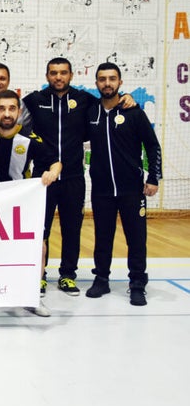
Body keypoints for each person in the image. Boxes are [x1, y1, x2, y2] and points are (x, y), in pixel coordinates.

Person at [22, 57, 135, 297]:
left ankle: (67, 275)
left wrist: (127, 99)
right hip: (42, 178)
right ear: (47, 77)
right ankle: (38, 276)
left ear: (71, 76)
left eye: (63, 73)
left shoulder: (85, 101)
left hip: (74, 177)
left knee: (71, 228)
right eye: (53, 73)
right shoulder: (34, 100)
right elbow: (7, 107)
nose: (58, 77)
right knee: (39, 229)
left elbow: (110, 104)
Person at [0, 90, 63, 320]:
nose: (7, 114)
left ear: (18, 112)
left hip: (21, 205)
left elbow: (56, 162)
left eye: (11, 109)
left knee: (37, 246)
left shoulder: (30, 138)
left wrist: (52, 172)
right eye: (2, 109)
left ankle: (30, 298)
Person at [85, 62, 162, 306]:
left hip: (132, 189)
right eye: (102, 79)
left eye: (112, 79)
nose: (107, 83)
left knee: (136, 239)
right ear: (96, 83)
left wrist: (153, 178)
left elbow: (152, 145)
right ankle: (101, 280)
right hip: (102, 190)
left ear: (120, 82)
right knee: (103, 237)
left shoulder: (134, 112)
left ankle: (137, 283)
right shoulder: (90, 111)